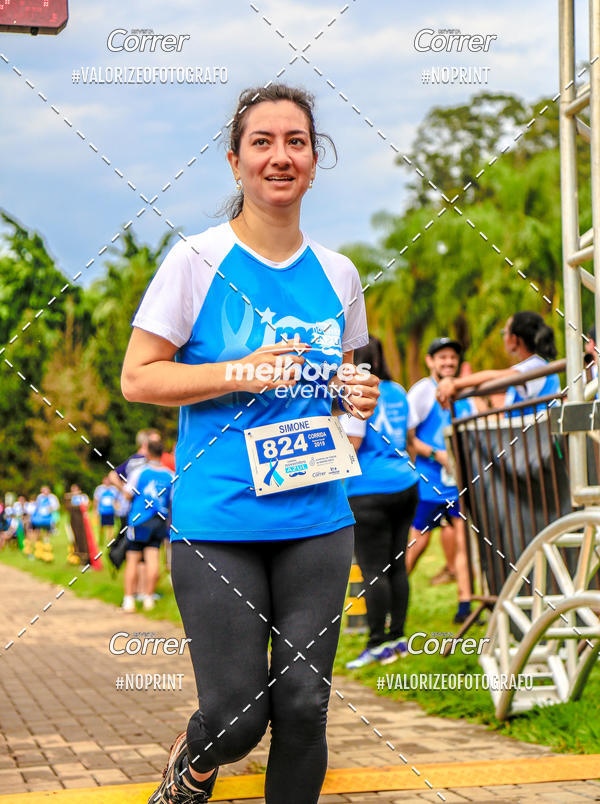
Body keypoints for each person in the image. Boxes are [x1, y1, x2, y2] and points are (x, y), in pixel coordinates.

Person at [121, 84, 378, 804]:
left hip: (318, 518)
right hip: (219, 519)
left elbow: (350, 382)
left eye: (295, 141)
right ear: (235, 162)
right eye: (261, 142)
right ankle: (194, 765)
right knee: (238, 717)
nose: (279, 156)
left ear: (314, 160)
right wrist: (238, 371)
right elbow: (138, 378)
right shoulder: (195, 261)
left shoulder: (340, 273)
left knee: (303, 705)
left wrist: (355, 400)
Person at [340, 336, 418, 668]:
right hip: (406, 483)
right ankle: (398, 638)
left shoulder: (357, 391)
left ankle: (376, 643)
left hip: (368, 488)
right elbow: (410, 439)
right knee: (397, 565)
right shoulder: (398, 391)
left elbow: (352, 444)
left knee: (374, 569)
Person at [406, 338, 474, 624]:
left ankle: (465, 606)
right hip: (430, 484)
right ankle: (391, 600)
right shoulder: (422, 392)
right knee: (417, 544)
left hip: (460, 484)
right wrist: (437, 454)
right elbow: (408, 438)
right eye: (442, 357)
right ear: (430, 361)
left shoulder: (465, 392)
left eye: (452, 358)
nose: (448, 362)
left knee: (464, 542)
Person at [436, 311, 561, 416]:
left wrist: (455, 383)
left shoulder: (536, 365)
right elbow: (493, 384)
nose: (503, 338)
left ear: (514, 339)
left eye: (504, 333)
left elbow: (495, 377)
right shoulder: (531, 368)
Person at [122, 437, 174, 613]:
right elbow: (172, 501)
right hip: (159, 521)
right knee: (153, 559)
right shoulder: (170, 475)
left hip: (139, 520)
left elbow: (128, 495)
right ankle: (148, 598)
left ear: (149, 452)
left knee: (133, 559)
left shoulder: (140, 472)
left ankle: (129, 599)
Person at [93, 475, 119, 545]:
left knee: (110, 526)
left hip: (110, 511)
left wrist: (117, 509)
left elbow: (116, 500)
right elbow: (96, 500)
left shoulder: (114, 489)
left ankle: (110, 540)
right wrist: (95, 510)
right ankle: (101, 540)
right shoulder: (99, 489)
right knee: (101, 527)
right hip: (102, 511)